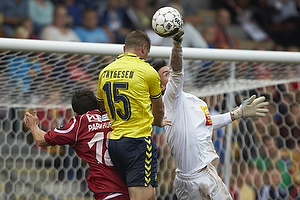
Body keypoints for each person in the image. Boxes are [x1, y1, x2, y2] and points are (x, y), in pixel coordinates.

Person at [152, 30, 269, 199]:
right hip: (197, 179)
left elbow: (206, 123)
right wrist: (177, 46)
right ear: (161, 86)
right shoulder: (170, 98)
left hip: (196, 176)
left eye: (168, 71)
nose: (170, 74)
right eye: (165, 74)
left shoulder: (189, 100)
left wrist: (237, 113)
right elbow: (178, 71)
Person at [97, 30, 170, 200]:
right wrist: (158, 122)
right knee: (141, 195)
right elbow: (159, 109)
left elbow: (102, 107)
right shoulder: (147, 71)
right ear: (144, 49)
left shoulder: (105, 72)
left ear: (124, 48)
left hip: (115, 143)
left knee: (150, 193)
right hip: (137, 142)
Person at [23, 88, 130, 200]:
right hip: (132, 186)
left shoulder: (79, 123)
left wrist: (33, 126)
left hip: (107, 189)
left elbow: (41, 140)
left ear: (75, 113)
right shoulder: (115, 118)